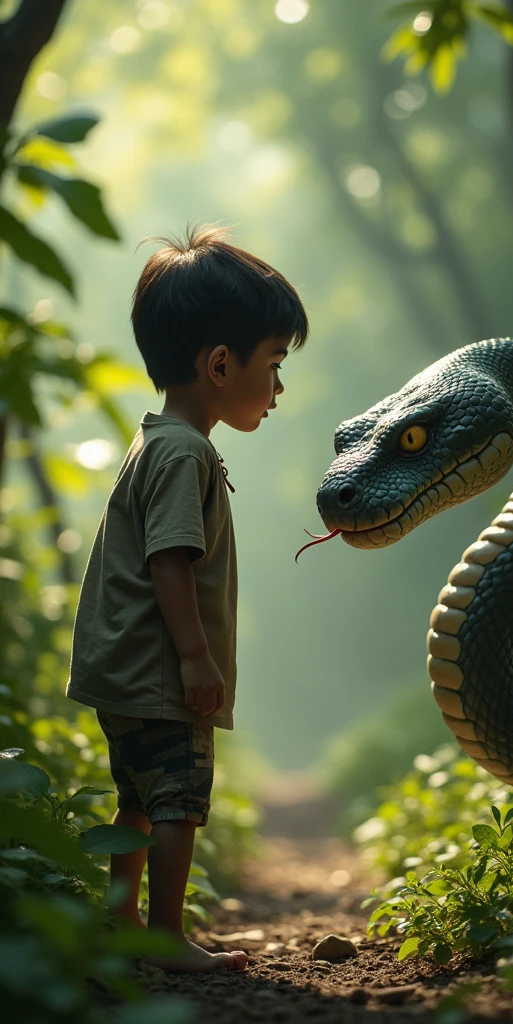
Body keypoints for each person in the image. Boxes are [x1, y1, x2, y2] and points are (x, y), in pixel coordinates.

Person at [66, 225, 309, 973]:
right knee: (178, 800)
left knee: (137, 800)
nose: (277, 388)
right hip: (160, 674)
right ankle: (164, 936)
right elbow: (171, 560)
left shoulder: (155, 441)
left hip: (127, 672)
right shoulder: (184, 452)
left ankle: (125, 923)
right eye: (272, 366)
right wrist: (197, 658)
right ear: (220, 363)